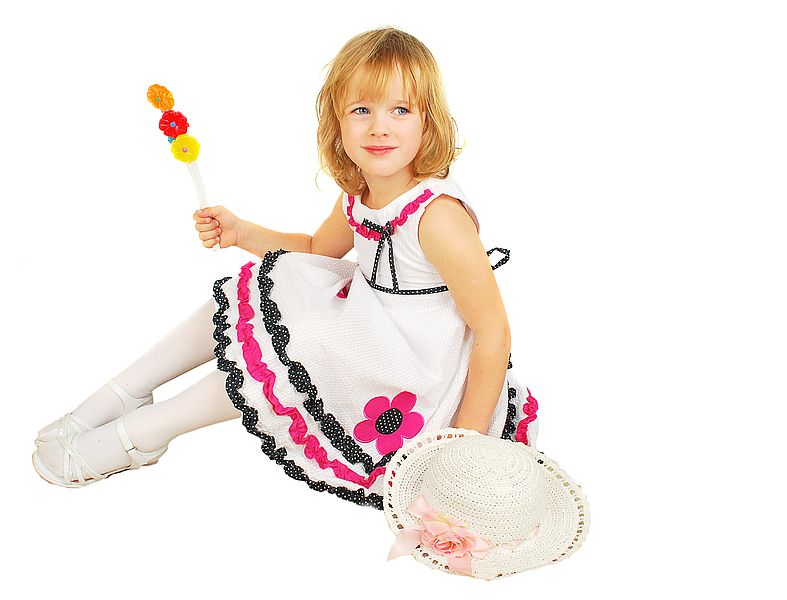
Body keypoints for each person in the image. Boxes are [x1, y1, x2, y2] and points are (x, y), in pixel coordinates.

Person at [32, 26, 540, 510]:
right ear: (337, 124)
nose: (379, 126)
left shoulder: (438, 217)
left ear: (427, 121)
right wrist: (242, 232)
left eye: (400, 110)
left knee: (295, 354)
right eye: (361, 110)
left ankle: (143, 434)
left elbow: (493, 331)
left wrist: (462, 444)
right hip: (370, 325)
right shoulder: (361, 194)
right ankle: (122, 394)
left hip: (420, 366)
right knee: (260, 294)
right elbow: (318, 247)